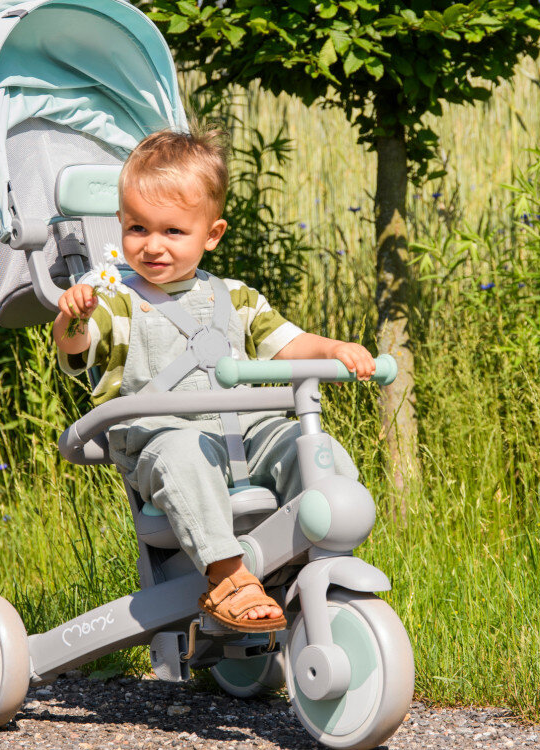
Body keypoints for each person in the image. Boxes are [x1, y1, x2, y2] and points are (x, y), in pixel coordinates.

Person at [52, 130, 375, 631]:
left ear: (212, 234)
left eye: (173, 232)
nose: (152, 246)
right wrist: (72, 319)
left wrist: (332, 349)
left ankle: (309, 558)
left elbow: (289, 344)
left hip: (246, 435)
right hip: (167, 439)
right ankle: (228, 576)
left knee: (307, 444)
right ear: (120, 224)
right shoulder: (115, 299)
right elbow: (78, 348)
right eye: (137, 229)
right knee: (181, 454)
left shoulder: (236, 297)